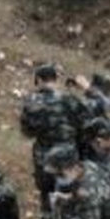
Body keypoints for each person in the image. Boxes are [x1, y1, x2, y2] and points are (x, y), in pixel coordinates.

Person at [19, 63, 83, 208]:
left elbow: (27, 132)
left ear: (39, 80)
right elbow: (84, 124)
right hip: (68, 154)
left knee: (46, 195)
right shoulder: (70, 99)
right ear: (55, 79)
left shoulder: (31, 101)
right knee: (70, 194)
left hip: (44, 156)